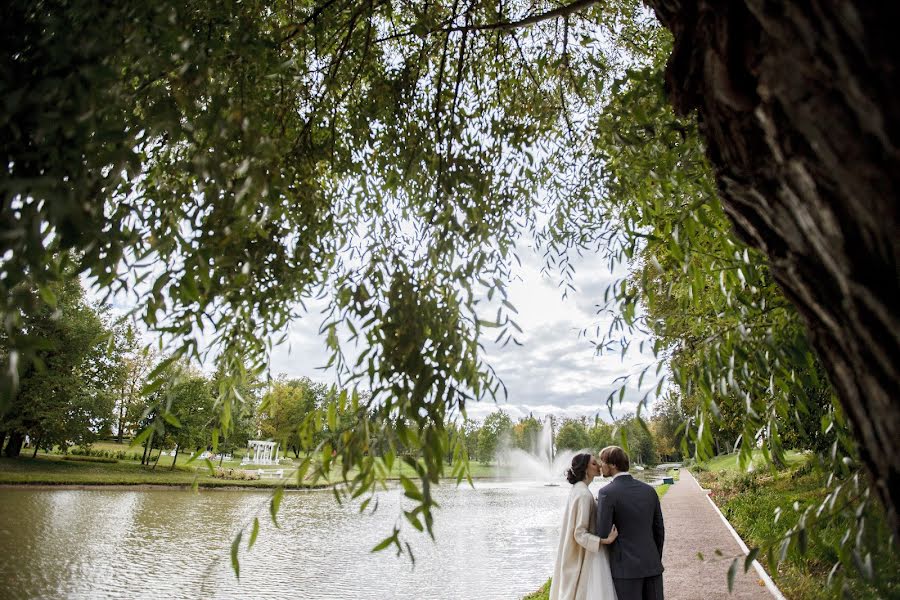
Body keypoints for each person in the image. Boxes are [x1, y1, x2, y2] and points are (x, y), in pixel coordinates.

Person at [594, 446, 665, 600]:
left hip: (624, 570)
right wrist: (654, 558)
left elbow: (604, 533)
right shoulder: (649, 491)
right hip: (652, 565)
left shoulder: (606, 493)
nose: (601, 466)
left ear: (613, 464)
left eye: (603, 461)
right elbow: (659, 530)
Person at [550, 453, 619, 600]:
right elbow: (579, 533)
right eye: (594, 464)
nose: (599, 465)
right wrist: (604, 541)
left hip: (584, 551)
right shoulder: (584, 495)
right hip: (590, 555)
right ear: (585, 469)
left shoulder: (578, 489)